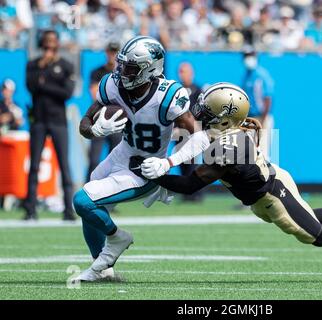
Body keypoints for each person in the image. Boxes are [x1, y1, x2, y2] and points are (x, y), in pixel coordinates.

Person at [147, 82, 322, 282]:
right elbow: (197, 140)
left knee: (317, 235)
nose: (199, 113)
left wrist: (154, 174)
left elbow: (191, 185)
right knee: (309, 214)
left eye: (206, 110)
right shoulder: (229, 131)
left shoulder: (226, 148)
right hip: (273, 179)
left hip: (271, 196)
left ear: (224, 118)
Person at [73, 36, 210, 282]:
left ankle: (116, 237)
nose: (122, 71)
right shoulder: (112, 85)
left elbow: (200, 138)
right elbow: (85, 120)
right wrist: (93, 131)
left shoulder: (168, 95)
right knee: (90, 205)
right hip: (121, 154)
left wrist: (168, 163)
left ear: (150, 69)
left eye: (130, 67)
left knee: (83, 200)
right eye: (122, 64)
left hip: (144, 167)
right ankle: (103, 269)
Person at [24, 30, 76, 221]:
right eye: (46, 44)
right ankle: (30, 210)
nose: (48, 47)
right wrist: (42, 73)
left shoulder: (65, 65)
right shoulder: (33, 65)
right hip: (38, 120)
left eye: (52, 43)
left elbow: (67, 93)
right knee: (34, 165)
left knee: (64, 164)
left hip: (58, 120)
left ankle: (68, 211)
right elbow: (30, 86)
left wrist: (44, 84)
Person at [86, 42, 122, 181]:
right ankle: (88, 187)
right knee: (94, 159)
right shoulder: (97, 72)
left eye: (115, 52)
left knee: (116, 159)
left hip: (118, 119)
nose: (112, 55)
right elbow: (95, 95)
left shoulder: (123, 73)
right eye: (110, 52)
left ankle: (113, 191)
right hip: (99, 118)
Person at [176, 62, 204, 201]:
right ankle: (186, 191)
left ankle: (195, 192)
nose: (182, 74)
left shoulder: (198, 90)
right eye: (181, 71)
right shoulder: (177, 90)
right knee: (181, 161)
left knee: (193, 161)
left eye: (184, 71)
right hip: (179, 132)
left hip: (193, 132)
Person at [241, 47, 274, 160]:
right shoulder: (246, 76)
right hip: (251, 118)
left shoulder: (262, 75)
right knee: (251, 151)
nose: (248, 59)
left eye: (251, 55)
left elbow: (268, 97)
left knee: (262, 150)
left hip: (261, 117)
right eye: (246, 56)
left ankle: (265, 176)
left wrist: (263, 118)